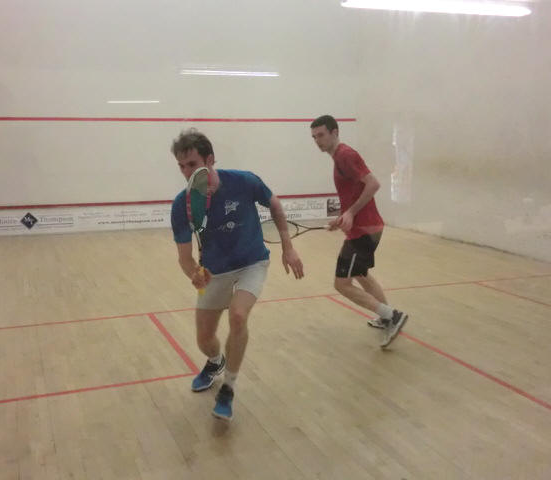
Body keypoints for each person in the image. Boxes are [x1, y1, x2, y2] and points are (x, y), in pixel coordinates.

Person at [170, 128, 304, 421]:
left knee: (238, 316)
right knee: (204, 339)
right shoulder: (182, 205)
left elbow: (274, 203)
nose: (186, 172)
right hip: (214, 272)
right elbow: (184, 257)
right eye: (181, 166)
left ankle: (228, 387)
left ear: (210, 159)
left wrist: (288, 246)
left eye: (192, 164)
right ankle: (215, 362)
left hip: (252, 263)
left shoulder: (243, 181)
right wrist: (194, 274)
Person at [310, 115, 408, 348]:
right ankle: (386, 318)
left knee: (342, 284)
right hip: (365, 228)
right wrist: (342, 218)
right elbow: (354, 193)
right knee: (361, 275)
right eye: (314, 137)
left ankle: (392, 316)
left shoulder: (346, 155)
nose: (317, 141)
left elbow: (373, 183)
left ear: (335, 132)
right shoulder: (339, 157)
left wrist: (352, 213)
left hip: (364, 230)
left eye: (321, 135)